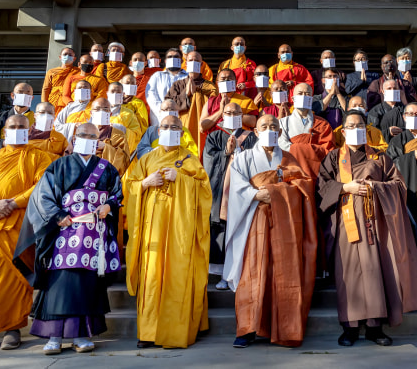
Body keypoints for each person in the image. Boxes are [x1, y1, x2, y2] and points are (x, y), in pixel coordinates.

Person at [318, 111, 417, 347]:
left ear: (367, 129)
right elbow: (322, 187)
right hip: (346, 224)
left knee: (376, 274)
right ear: (343, 131)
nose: (355, 129)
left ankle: (374, 328)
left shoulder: (380, 158)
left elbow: (398, 185)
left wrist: (376, 187)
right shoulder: (333, 158)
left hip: (375, 224)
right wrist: (345, 187)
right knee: (348, 275)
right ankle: (349, 328)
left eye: (360, 125)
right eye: (351, 126)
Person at [13, 122, 123, 355]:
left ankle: (81, 334)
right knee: (60, 281)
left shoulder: (107, 168)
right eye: (84, 135)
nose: (88, 139)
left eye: (93, 137)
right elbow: (43, 195)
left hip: (94, 234)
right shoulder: (59, 166)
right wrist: (58, 215)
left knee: (87, 283)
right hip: (66, 231)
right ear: (75, 137)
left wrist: (109, 206)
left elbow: (117, 194)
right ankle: (54, 336)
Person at [223, 114, 318, 348]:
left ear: (279, 132)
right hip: (254, 219)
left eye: (274, 126)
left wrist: (277, 190)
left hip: (284, 222)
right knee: (253, 272)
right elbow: (236, 185)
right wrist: (255, 194)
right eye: (264, 126)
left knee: (282, 273)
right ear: (255, 132)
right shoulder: (243, 157)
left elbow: (303, 184)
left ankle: (283, 327)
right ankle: (247, 329)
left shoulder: (288, 158)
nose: (269, 129)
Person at [0, 114, 53, 351]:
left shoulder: (40, 157)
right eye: (12, 127)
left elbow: (42, 186)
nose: (17, 130)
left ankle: (13, 329)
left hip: (22, 228)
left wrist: (12, 204)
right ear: (4, 131)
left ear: (30, 130)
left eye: (21, 127)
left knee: (16, 279)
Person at [124, 115, 211, 349]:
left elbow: (205, 191)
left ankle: (176, 330)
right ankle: (148, 331)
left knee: (177, 273)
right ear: (157, 130)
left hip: (179, 229)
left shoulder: (190, 159)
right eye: (165, 126)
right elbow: (128, 186)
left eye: (175, 127)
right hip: (152, 227)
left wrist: (182, 179)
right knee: (152, 275)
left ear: (182, 132)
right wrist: (144, 184)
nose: (170, 129)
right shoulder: (147, 158)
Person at [203, 103, 258, 289]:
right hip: (221, 191)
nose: (232, 115)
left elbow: (256, 160)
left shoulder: (251, 137)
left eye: (236, 113)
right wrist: (226, 153)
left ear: (242, 115)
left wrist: (240, 154)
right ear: (222, 115)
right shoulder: (214, 136)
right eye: (228, 112)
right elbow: (208, 160)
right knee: (222, 229)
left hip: (243, 189)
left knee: (242, 230)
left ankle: (243, 272)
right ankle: (223, 276)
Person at [277, 82, 335, 185]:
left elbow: (328, 150)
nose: (303, 96)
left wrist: (300, 148)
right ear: (293, 98)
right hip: (291, 169)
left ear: (312, 99)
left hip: (315, 171)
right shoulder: (283, 122)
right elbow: (281, 145)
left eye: (307, 94)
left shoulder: (322, 124)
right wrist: (306, 149)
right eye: (300, 93)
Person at [166, 50, 218, 155]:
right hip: (182, 125)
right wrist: (187, 94)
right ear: (186, 63)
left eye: (196, 61)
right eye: (191, 60)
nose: (193, 62)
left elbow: (214, 106)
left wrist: (198, 93)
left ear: (202, 64)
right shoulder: (177, 84)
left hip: (202, 126)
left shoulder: (210, 86)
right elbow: (168, 105)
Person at [65, 98, 130, 177]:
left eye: (105, 109)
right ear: (91, 113)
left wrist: (105, 147)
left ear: (110, 114)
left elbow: (124, 162)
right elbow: (68, 157)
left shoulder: (118, 134)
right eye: (97, 109)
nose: (101, 112)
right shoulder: (81, 131)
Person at [133, 99, 199, 160]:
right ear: (160, 112)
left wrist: (179, 155)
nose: (169, 112)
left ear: (177, 112)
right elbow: (141, 149)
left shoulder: (183, 130)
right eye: (165, 110)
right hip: (155, 162)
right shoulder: (152, 130)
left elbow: (193, 153)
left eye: (172, 110)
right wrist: (153, 151)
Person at [199, 68, 259, 136]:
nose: (226, 81)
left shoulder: (246, 101)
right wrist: (220, 112)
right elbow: (202, 127)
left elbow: (253, 122)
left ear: (236, 83)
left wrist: (232, 113)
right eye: (223, 79)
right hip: (216, 141)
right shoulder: (211, 101)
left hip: (239, 140)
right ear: (217, 83)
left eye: (229, 79)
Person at [0, 83, 35, 152]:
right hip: (4, 156)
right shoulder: (0, 118)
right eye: (20, 92)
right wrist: (4, 143)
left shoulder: (36, 120)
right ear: (12, 95)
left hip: (29, 157)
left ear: (32, 98)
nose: (24, 95)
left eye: (27, 93)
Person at [145, 48, 188, 126]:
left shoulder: (188, 77)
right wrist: (164, 111)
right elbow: (150, 95)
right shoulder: (157, 75)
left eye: (176, 57)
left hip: (182, 119)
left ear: (181, 61)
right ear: (165, 61)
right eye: (170, 57)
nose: (173, 59)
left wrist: (178, 111)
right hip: (160, 120)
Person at [107, 82, 143, 152]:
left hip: (120, 152)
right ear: (107, 93)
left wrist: (122, 129)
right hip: (102, 150)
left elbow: (137, 135)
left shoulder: (129, 113)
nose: (115, 94)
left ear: (122, 94)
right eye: (112, 91)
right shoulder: (99, 110)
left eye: (118, 92)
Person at [41, 47, 78, 113]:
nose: (67, 56)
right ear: (60, 57)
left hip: (70, 101)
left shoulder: (78, 71)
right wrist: (44, 104)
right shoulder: (52, 71)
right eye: (65, 54)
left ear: (74, 58)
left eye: (70, 55)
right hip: (53, 101)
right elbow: (46, 89)